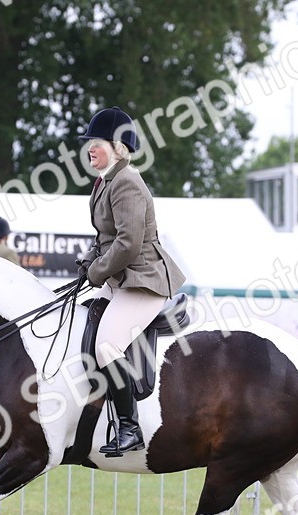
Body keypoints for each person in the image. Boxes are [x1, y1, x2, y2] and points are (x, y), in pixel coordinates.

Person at [75, 106, 187, 457]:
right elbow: (105, 238)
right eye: (90, 142)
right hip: (122, 278)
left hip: (145, 280)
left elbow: (128, 244)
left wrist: (96, 273)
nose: (90, 148)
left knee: (107, 344)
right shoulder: (106, 181)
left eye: (97, 142)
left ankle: (129, 427)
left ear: (118, 146)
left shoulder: (128, 183)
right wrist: (88, 263)